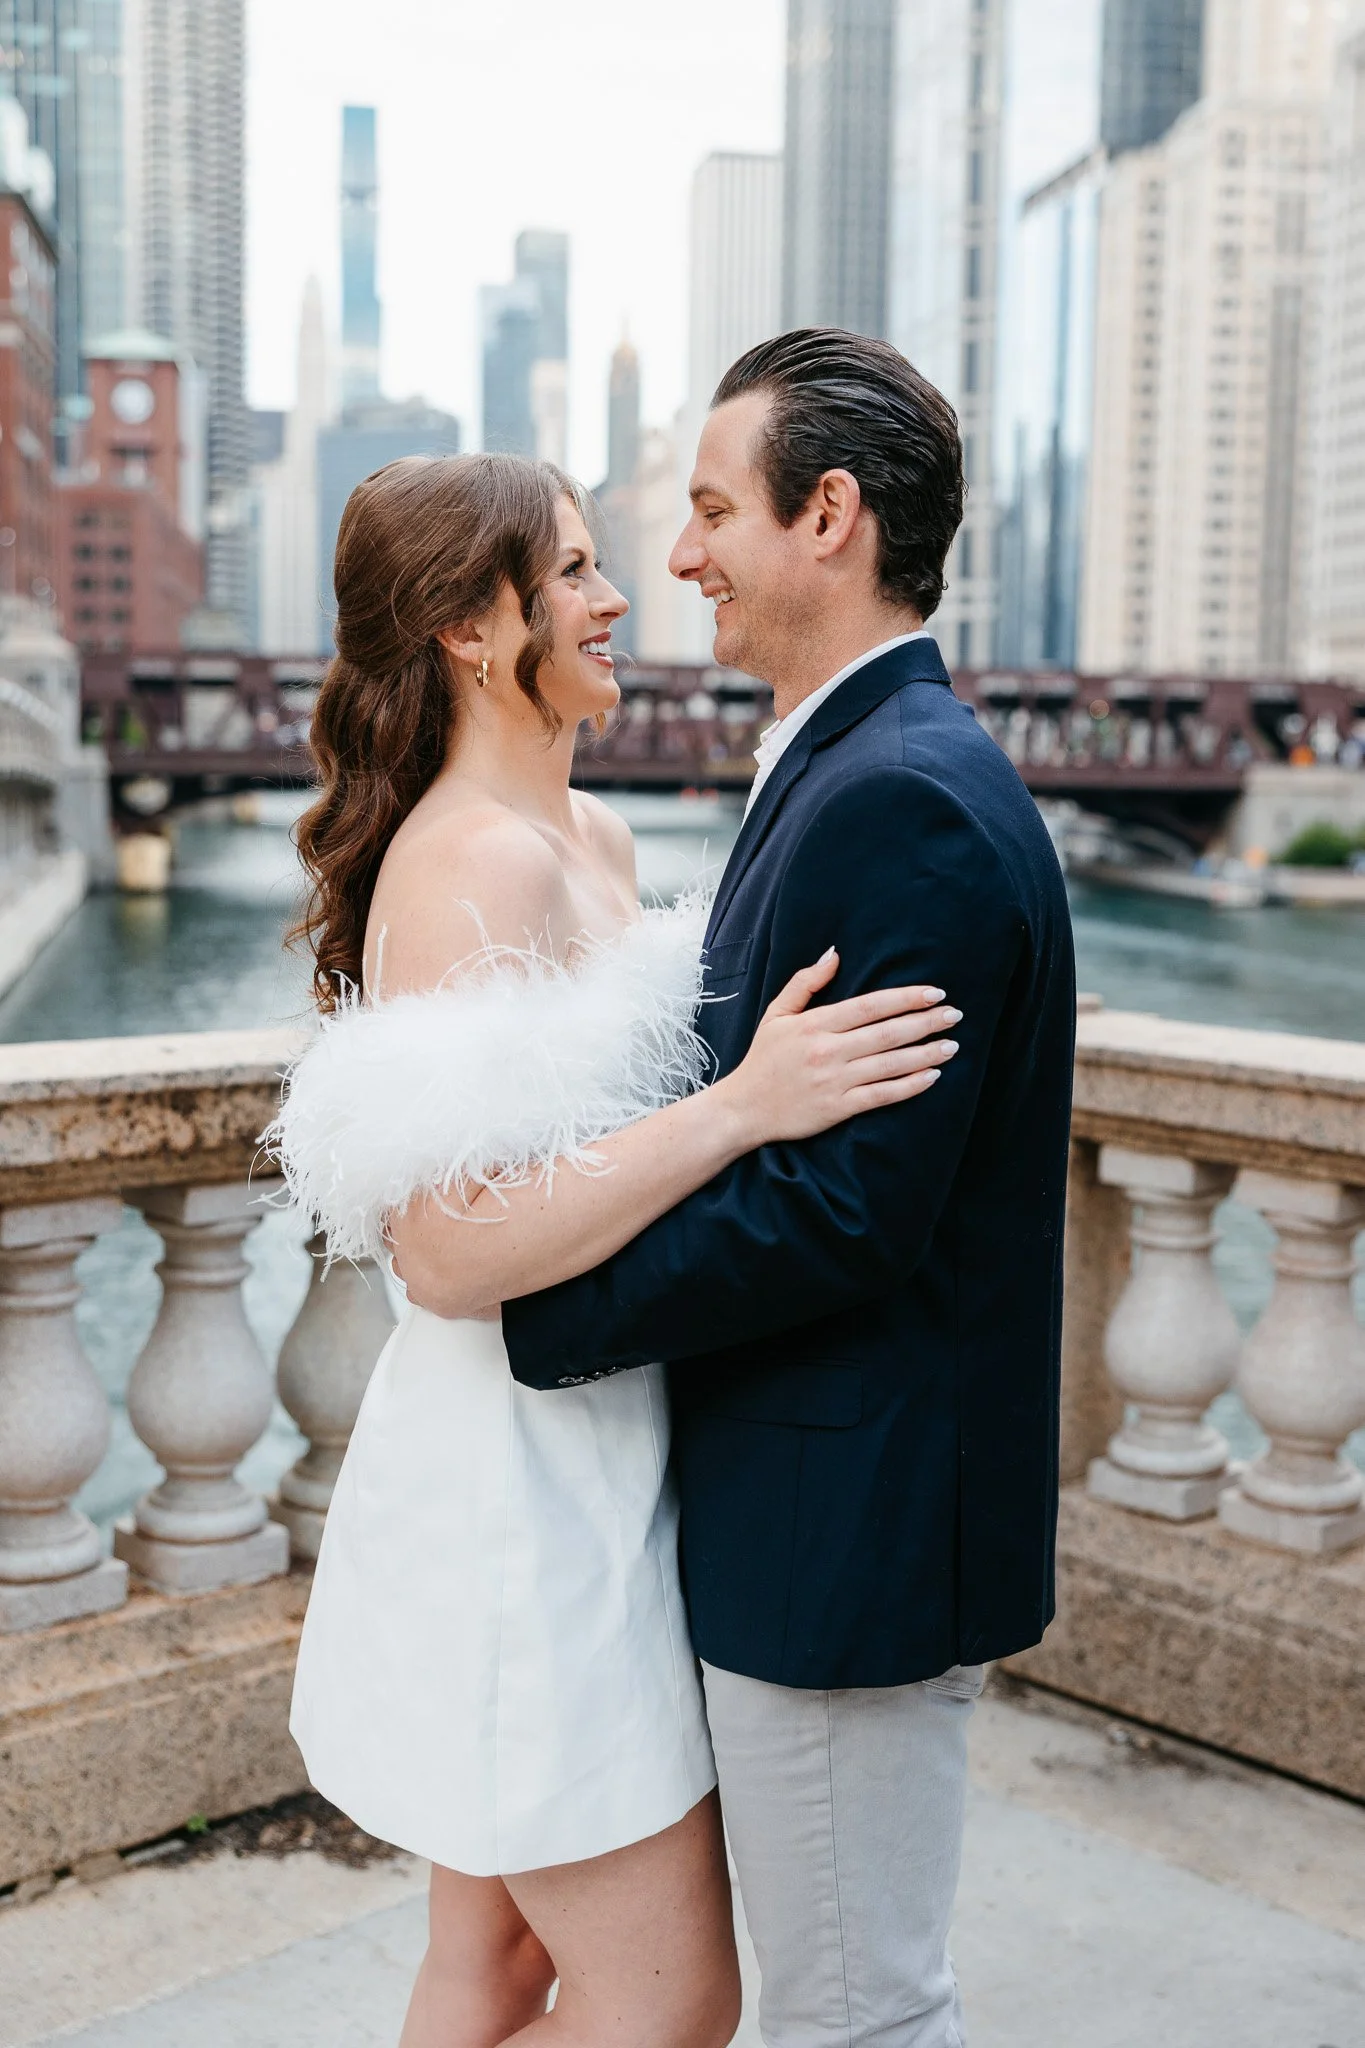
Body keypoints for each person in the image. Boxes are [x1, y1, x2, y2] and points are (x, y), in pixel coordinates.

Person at [270, 448, 962, 2048]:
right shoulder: (468, 865)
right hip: (515, 1494)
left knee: (497, 1969)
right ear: (463, 623)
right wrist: (740, 1113)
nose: (616, 595)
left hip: (594, 1450)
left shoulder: (592, 836)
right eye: (572, 570)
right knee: (671, 2008)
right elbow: (445, 1253)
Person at [484, 330, 1077, 2048]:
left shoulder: (903, 802)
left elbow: (844, 1208)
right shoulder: (856, 766)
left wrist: (539, 1301)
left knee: (855, 2014)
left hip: (850, 1536)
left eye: (711, 508)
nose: (679, 558)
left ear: (832, 517)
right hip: (823, 1514)